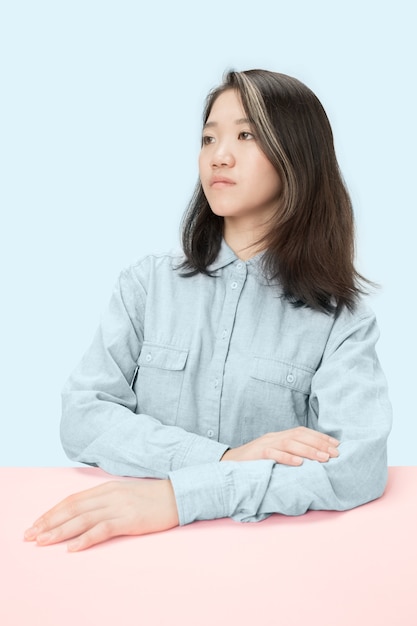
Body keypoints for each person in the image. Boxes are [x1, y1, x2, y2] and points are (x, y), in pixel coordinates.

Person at [24, 69, 392, 551]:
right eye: (208, 137)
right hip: (129, 556)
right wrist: (224, 459)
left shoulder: (340, 319)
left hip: (273, 563)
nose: (219, 155)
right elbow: (83, 418)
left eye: (246, 135)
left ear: (298, 156)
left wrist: (179, 499)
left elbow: (357, 468)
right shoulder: (147, 285)